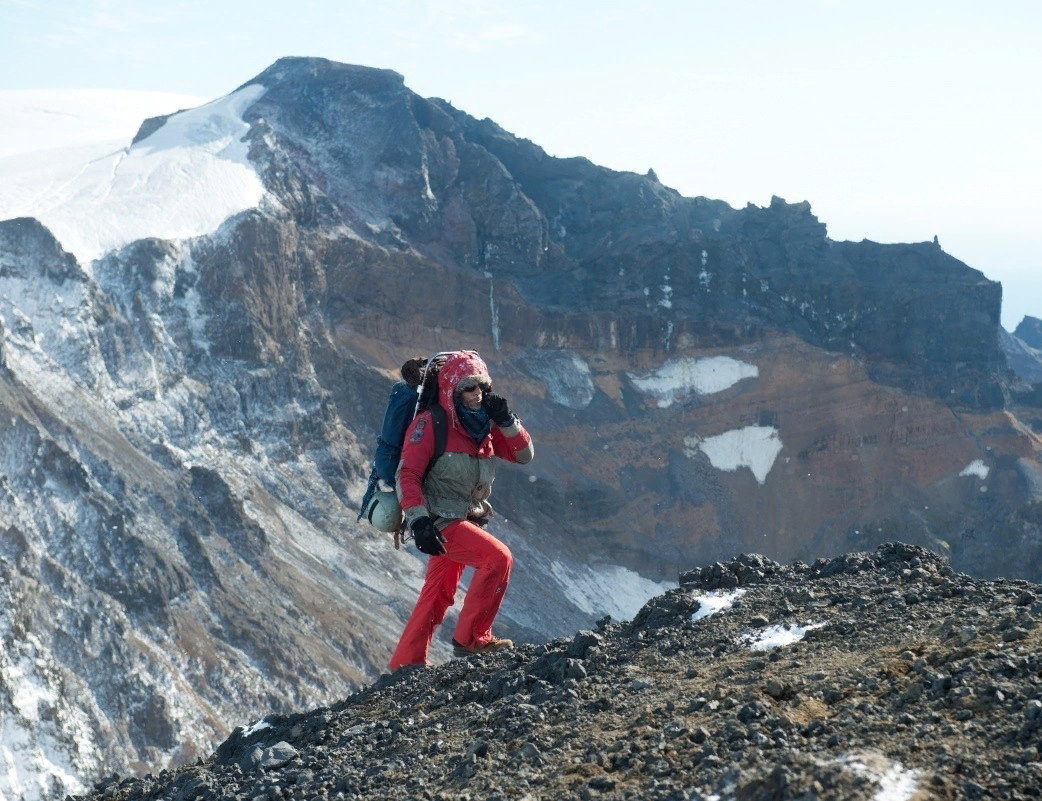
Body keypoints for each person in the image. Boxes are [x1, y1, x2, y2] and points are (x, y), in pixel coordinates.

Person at [389, 350, 534, 669]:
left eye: (482, 387)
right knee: (498, 559)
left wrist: (508, 422)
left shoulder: (484, 425)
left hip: (466, 520)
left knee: (438, 593)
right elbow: (408, 474)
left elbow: (524, 456)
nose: (477, 394)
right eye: (469, 388)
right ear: (451, 390)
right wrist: (419, 522)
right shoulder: (430, 423)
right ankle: (473, 640)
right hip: (439, 521)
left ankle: (405, 665)